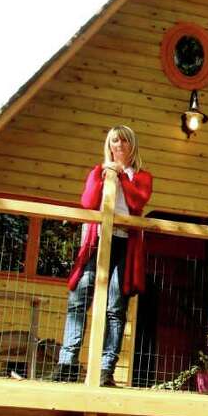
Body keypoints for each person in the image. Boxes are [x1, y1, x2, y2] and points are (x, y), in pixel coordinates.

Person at [56, 126, 153, 386]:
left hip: (124, 246)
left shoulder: (142, 176)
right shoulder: (98, 171)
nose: (118, 145)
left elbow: (137, 202)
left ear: (132, 145)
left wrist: (121, 177)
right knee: (78, 301)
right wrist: (104, 174)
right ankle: (67, 364)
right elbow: (88, 202)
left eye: (123, 140)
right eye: (114, 141)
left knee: (115, 308)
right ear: (109, 145)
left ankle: (105, 369)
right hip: (96, 242)